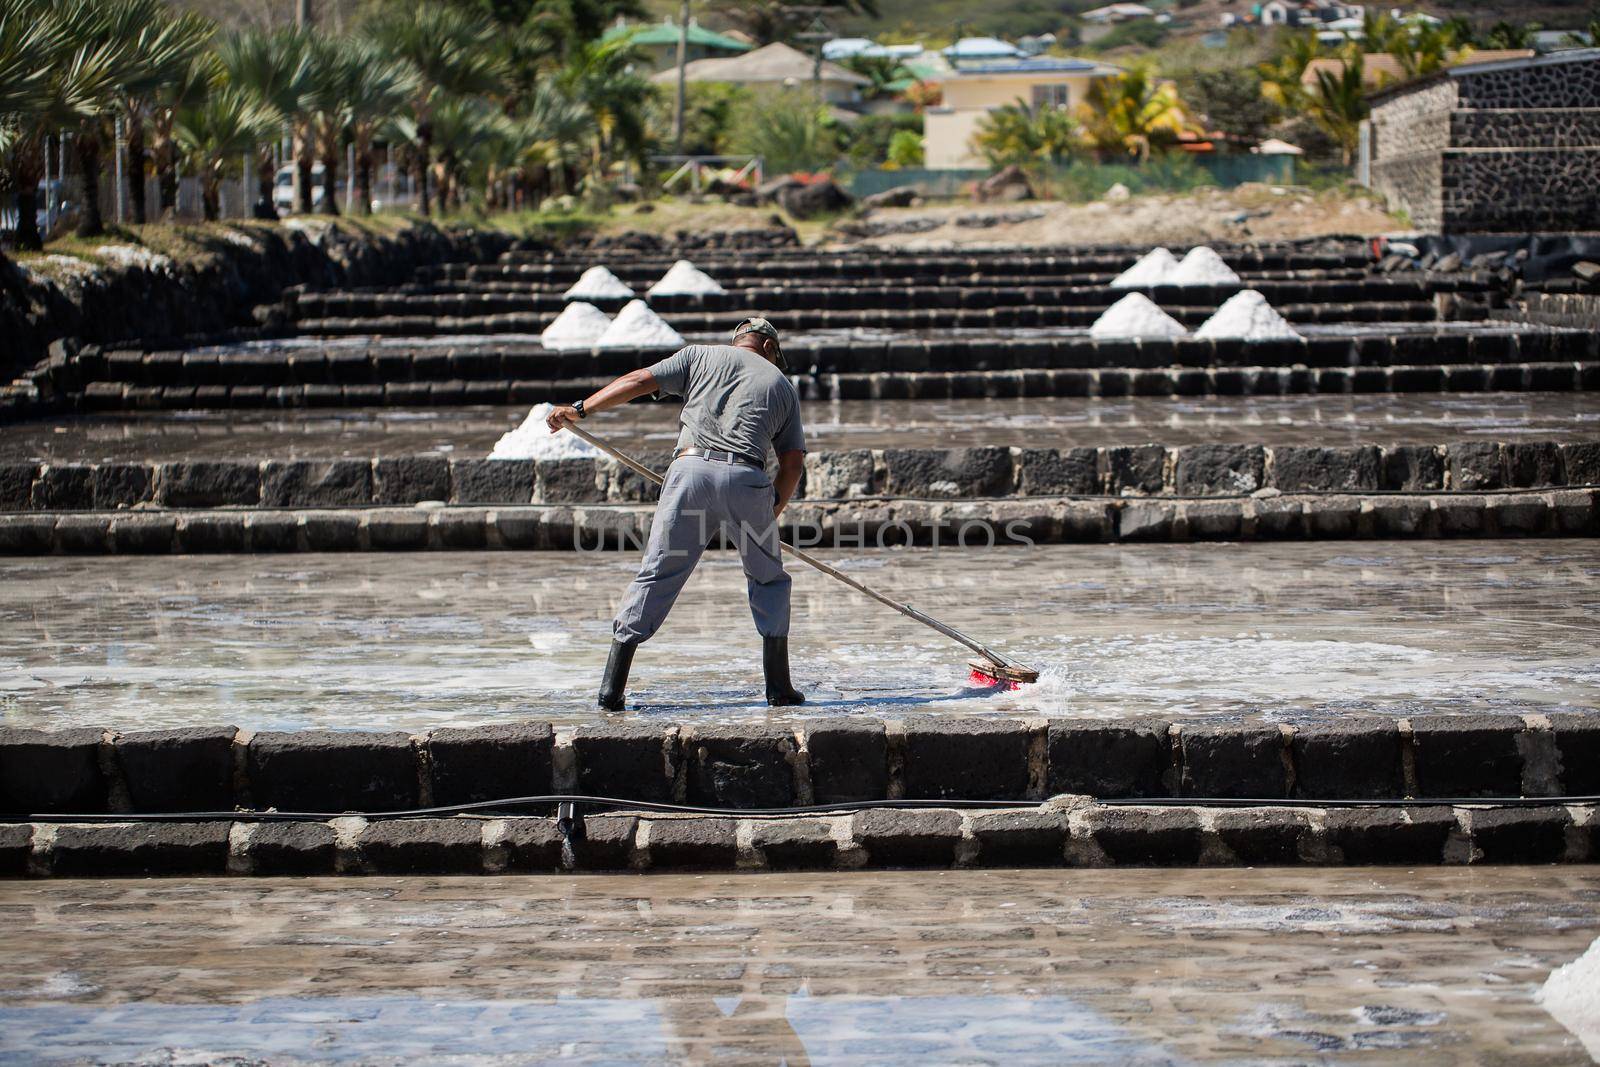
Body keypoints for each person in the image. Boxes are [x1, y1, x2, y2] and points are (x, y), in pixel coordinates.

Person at [545, 317, 807, 710]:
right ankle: (778, 688)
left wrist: (581, 409)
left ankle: (611, 689)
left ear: (737, 341)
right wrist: (771, 510)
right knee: (768, 578)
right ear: (769, 348)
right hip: (746, 477)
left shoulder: (698, 356)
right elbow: (792, 465)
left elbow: (638, 381)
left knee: (658, 572)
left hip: (688, 470)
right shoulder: (781, 384)